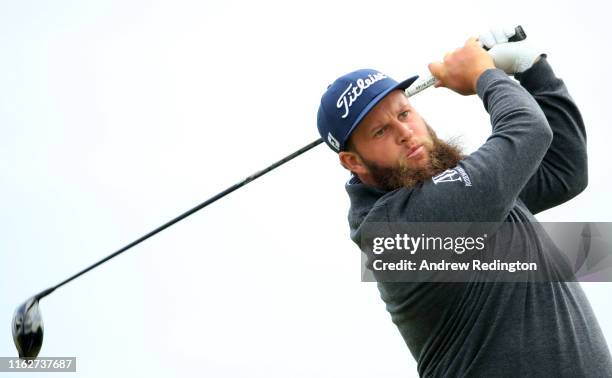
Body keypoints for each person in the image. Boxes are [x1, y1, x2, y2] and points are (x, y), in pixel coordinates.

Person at [316, 28, 612, 377]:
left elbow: (564, 170)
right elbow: (528, 131)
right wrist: (484, 75)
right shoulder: (395, 230)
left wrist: (532, 68)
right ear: (354, 162)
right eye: (380, 132)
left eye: (404, 113)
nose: (405, 132)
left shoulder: (469, 194)